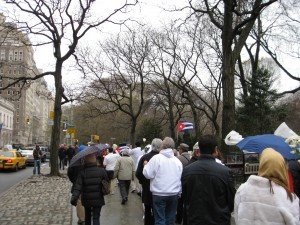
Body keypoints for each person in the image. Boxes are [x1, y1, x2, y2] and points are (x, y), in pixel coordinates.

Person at [234, 148, 300, 225]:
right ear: (282, 167)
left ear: (261, 165)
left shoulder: (242, 190)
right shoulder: (288, 197)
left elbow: (237, 218)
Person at [181, 135, 236, 225]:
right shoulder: (225, 172)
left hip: (195, 220)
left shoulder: (187, 170)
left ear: (199, 150)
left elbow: (186, 198)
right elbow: (231, 201)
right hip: (219, 220)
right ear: (215, 150)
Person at [143, 137, 183, 225]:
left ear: (162, 146)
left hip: (159, 193)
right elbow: (179, 178)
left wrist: (145, 166)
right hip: (174, 193)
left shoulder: (156, 158)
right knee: (170, 219)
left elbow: (148, 174)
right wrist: (179, 192)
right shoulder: (177, 161)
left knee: (160, 220)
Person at [70, 151, 109, 225]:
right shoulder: (101, 170)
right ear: (95, 160)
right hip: (98, 198)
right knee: (96, 217)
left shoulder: (82, 172)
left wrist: (74, 198)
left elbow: (77, 187)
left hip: (87, 199)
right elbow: (106, 180)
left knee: (87, 217)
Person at [136, 138, 163, 225]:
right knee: (158, 211)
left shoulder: (145, 157)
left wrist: (143, 181)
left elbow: (138, 173)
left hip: (147, 187)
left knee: (147, 209)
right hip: (160, 188)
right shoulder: (164, 158)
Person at [175, 143, 190, 224]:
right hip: (189, 184)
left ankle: (178, 219)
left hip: (181, 183)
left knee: (180, 203)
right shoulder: (191, 158)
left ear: (181, 150)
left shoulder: (178, 159)